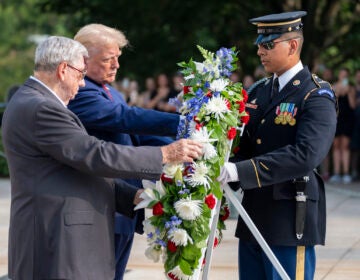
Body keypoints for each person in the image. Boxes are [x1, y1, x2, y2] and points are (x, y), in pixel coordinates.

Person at [1, 36, 202, 280]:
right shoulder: (40, 107)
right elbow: (94, 154)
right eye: (80, 73)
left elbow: (76, 168)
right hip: (56, 242)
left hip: (64, 241)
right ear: (64, 69)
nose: (83, 83)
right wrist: (165, 154)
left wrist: (133, 197)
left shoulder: (36, 102)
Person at [217, 11, 337, 279]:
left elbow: (306, 154)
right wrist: (217, 164)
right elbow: (246, 146)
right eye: (259, 44)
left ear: (293, 46)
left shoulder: (315, 94)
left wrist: (240, 172)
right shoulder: (259, 91)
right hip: (254, 214)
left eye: (268, 44)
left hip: (289, 215)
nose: (260, 50)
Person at [67, 24, 184, 280]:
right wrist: (182, 123)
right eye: (108, 60)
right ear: (83, 60)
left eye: (118, 58)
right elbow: (125, 118)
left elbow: (138, 136)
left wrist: (185, 148)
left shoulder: (110, 91)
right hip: (103, 205)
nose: (116, 65)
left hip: (124, 206)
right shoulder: (82, 92)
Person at [329, 68, 356, 184]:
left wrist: (349, 93)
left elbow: (353, 105)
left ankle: (345, 173)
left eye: (345, 75)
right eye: (341, 74)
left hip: (347, 120)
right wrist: (338, 93)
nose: (343, 77)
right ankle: (336, 173)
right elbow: (331, 105)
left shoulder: (351, 88)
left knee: (345, 146)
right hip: (336, 119)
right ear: (338, 76)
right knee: (336, 146)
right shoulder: (332, 87)